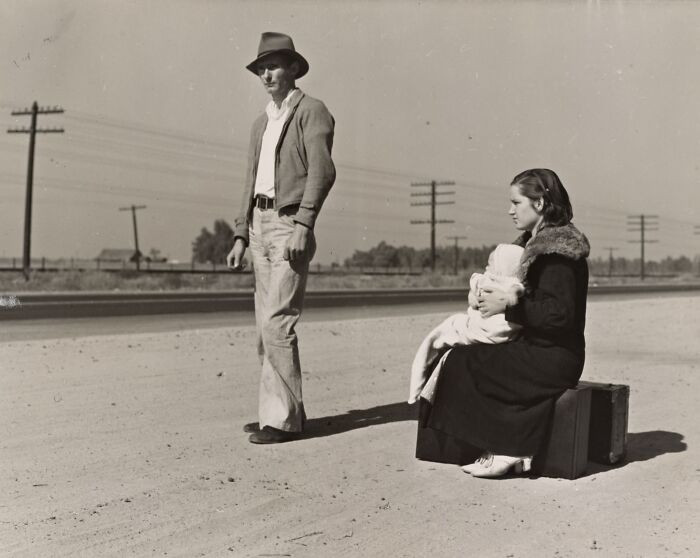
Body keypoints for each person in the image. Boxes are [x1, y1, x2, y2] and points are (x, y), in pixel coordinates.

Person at [422, 168, 590, 478]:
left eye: (516, 202)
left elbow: (560, 315)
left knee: (465, 361)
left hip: (555, 357)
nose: (510, 210)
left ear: (539, 203)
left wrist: (509, 304)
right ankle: (498, 443)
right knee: (462, 354)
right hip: (538, 348)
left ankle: (510, 448)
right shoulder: (536, 245)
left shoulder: (557, 253)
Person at [226, 32, 336, 444]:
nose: (266, 74)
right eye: (260, 68)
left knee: (278, 322)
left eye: (273, 66)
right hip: (259, 225)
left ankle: (284, 421)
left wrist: (304, 224)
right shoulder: (262, 122)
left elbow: (322, 172)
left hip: (290, 224)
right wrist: (241, 234)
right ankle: (277, 412)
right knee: (263, 326)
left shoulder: (312, 112)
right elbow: (251, 180)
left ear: (293, 69)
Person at [408, 243, 525, 405]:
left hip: (486, 325)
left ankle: (417, 387)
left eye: (491, 263)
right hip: (491, 327)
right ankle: (418, 386)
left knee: (441, 332)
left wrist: (510, 296)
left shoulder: (508, 282)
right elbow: (475, 292)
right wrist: (475, 297)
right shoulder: (490, 279)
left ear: (503, 265)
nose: (487, 266)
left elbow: (517, 289)